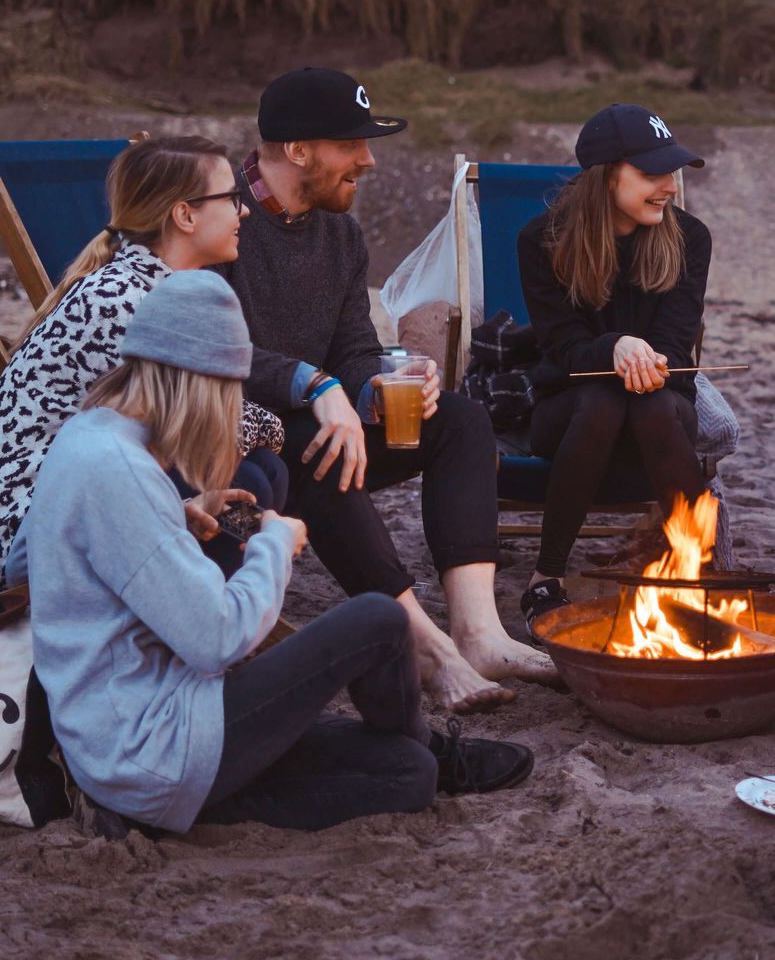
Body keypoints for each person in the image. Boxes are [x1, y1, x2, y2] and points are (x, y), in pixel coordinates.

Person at [25, 272, 533, 835]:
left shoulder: (92, 438)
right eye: (227, 393)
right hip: (153, 744)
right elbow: (216, 639)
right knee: (379, 621)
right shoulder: (116, 469)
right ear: (198, 381)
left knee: (404, 775)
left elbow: (71, 559)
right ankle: (433, 748)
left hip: (138, 749)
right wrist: (274, 544)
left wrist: (176, 516)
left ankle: (421, 757)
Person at [220, 67, 559, 712]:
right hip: (242, 439)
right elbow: (214, 350)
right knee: (317, 446)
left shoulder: (340, 233)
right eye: (352, 145)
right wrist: (317, 387)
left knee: (461, 419)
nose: (369, 161)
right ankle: (427, 649)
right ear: (298, 151)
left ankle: (479, 631)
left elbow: (351, 344)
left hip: (328, 420)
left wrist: (378, 381)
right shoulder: (220, 218)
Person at [0, 136, 289, 588]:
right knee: (249, 471)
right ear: (185, 214)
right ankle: (197, 614)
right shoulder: (123, 302)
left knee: (258, 473)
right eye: (232, 198)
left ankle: (202, 604)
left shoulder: (142, 285)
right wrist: (279, 421)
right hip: (28, 541)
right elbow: (205, 430)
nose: (245, 211)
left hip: (76, 504)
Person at [515, 104, 712, 620]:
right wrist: (615, 347)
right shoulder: (543, 241)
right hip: (570, 412)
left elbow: (675, 339)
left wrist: (646, 359)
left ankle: (697, 571)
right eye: (652, 173)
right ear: (606, 177)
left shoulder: (690, 239)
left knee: (649, 404)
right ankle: (548, 573)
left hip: (662, 412)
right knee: (603, 399)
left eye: (671, 171)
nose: (668, 185)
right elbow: (563, 348)